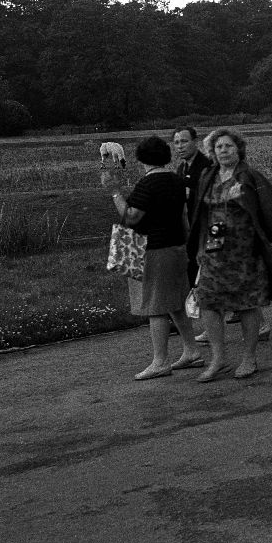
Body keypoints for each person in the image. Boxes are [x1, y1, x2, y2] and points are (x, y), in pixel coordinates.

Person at [101, 135, 203, 380]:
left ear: (141, 159)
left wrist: (115, 192)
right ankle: (191, 350)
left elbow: (131, 217)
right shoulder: (176, 181)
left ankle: (160, 361)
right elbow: (184, 218)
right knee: (177, 302)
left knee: (156, 307)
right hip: (177, 246)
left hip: (155, 249)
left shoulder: (147, 185)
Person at [189, 129, 272, 380]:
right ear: (213, 151)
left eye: (229, 146)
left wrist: (240, 199)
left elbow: (265, 213)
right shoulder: (208, 176)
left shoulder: (249, 176)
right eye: (219, 147)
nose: (223, 151)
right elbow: (202, 215)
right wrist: (200, 247)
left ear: (238, 149)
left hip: (244, 250)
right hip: (214, 247)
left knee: (246, 303)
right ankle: (218, 358)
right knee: (208, 302)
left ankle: (249, 358)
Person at [172, 127, 211, 286]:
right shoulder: (181, 168)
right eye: (176, 142)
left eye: (184, 141)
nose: (180, 146)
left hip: (203, 233)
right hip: (188, 233)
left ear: (195, 142)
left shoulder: (206, 167)